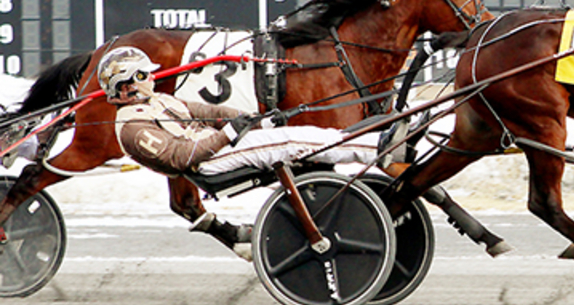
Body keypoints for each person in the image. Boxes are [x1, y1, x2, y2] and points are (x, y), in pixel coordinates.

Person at [97, 46, 383, 258]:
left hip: (219, 147)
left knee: (295, 136)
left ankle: (369, 145)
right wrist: (228, 134)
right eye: (145, 74)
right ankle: (380, 148)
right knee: (291, 142)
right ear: (127, 85)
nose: (153, 76)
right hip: (209, 163)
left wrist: (257, 121)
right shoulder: (132, 127)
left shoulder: (157, 100)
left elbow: (210, 112)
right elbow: (180, 157)